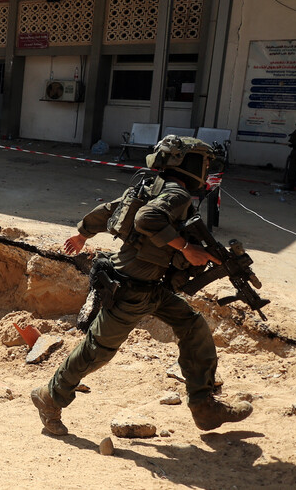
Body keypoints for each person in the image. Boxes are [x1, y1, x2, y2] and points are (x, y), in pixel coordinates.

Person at [32, 136, 253, 436]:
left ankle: (203, 406)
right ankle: (49, 397)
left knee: (193, 326)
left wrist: (84, 233)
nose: (205, 168)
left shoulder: (150, 186)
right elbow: (146, 219)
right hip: (132, 290)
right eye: (203, 162)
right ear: (187, 163)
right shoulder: (177, 195)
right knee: (97, 350)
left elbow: (111, 210)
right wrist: (187, 248)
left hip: (153, 288)